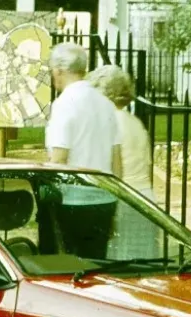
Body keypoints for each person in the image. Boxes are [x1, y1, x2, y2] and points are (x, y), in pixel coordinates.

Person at [40, 43, 123, 259]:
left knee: (68, 267)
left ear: (58, 70)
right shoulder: (106, 104)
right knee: (96, 265)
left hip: (72, 202)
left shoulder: (64, 103)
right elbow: (116, 161)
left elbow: (59, 158)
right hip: (104, 199)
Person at [86, 64, 159, 259]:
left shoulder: (108, 121)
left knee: (120, 261)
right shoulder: (135, 122)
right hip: (145, 197)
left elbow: (110, 168)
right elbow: (148, 166)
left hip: (124, 199)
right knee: (143, 261)